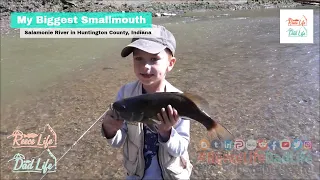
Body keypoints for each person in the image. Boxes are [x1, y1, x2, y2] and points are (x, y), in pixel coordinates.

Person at [101, 24, 193, 180]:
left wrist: (166, 132)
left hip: (172, 175)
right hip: (136, 175)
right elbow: (117, 142)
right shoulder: (125, 94)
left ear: (170, 63)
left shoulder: (179, 100)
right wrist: (110, 130)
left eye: (154, 59)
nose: (145, 66)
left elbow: (180, 148)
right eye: (139, 58)